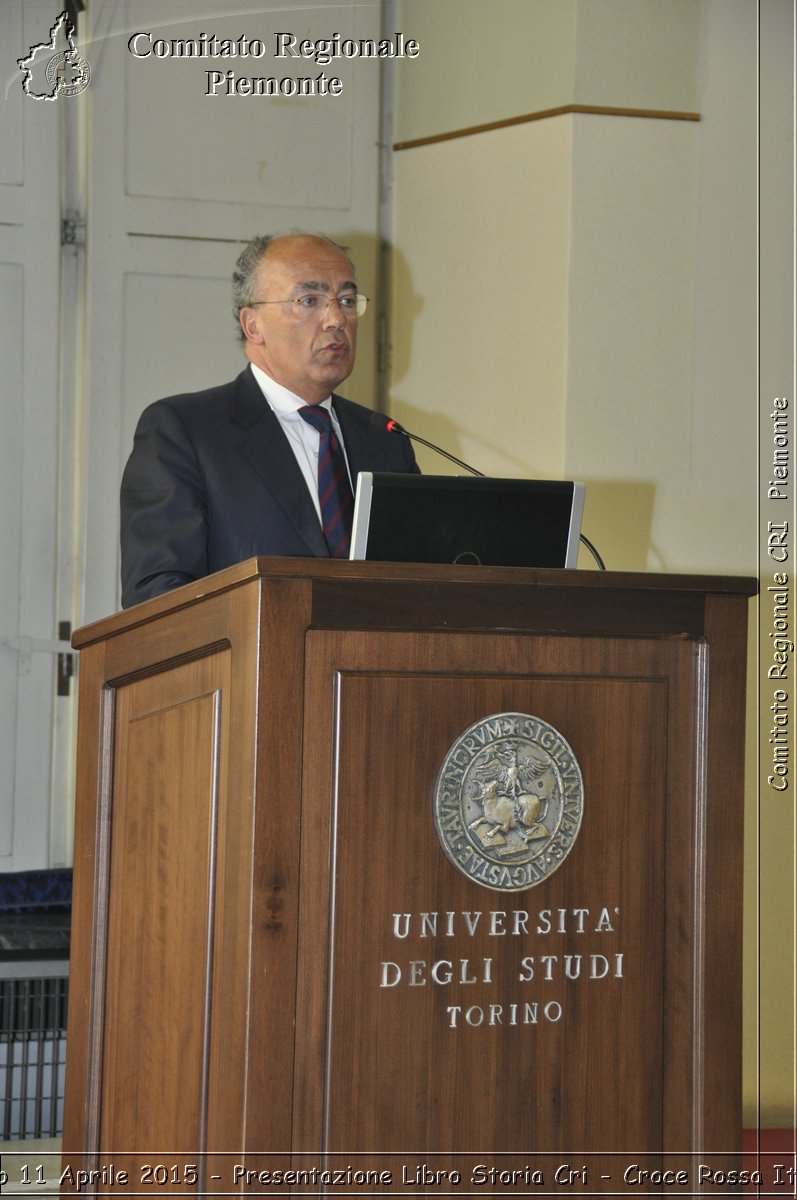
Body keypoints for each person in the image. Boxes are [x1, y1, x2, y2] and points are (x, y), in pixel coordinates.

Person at [120, 232, 418, 607]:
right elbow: (157, 595)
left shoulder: (385, 440)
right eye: (309, 300)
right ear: (252, 325)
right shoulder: (185, 431)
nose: (336, 319)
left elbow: (421, 584)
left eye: (345, 300)